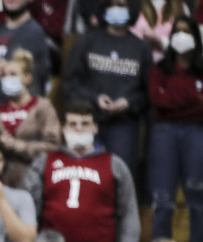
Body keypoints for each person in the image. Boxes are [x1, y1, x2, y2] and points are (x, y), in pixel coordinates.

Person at [23, 100, 140, 242]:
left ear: (95, 127)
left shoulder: (114, 164)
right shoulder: (45, 162)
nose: (79, 129)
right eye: (73, 124)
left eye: (85, 124)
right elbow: (29, 213)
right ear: (63, 128)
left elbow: (129, 215)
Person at [149, 16, 203, 242]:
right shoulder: (159, 69)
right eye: (177, 31)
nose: (181, 36)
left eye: (187, 31)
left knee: (198, 195)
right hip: (164, 134)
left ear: (196, 37)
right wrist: (191, 96)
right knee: (163, 200)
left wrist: (173, 101)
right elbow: (157, 101)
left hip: (197, 133)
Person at [64, 0, 150, 182]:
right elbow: (71, 84)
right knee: (84, 175)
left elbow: (148, 94)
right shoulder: (87, 41)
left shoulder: (141, 48)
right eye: (113, 5)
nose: (117, 9)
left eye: (122, 5)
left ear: (132, 9)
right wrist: (95, 99)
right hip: (87, 120)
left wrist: (129, 102)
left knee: (120, 178)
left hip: (125, 124)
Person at [0, 50, 61, 189]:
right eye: (4, 75)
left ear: (27, 78)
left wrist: (16, 145)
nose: (7, 78)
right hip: (0, 179)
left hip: (33, 177)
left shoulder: (42, 107)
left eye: (13, 74)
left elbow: (52, 146)